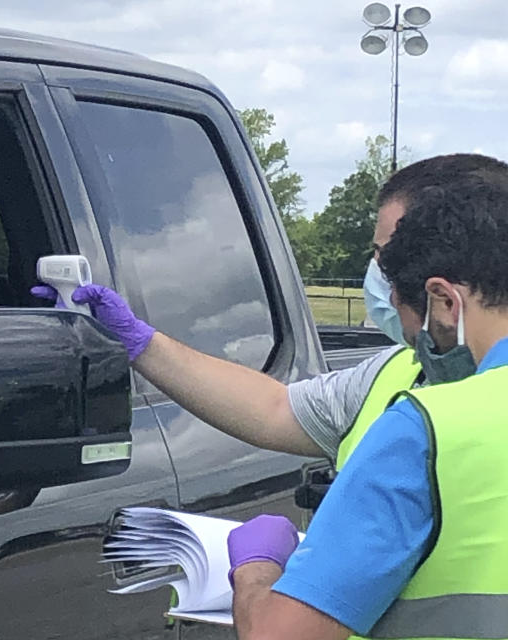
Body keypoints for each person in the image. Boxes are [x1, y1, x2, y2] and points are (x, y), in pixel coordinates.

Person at [34, 153, 508, 476]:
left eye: (387, 258)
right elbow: (274, 409)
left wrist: (259, 570)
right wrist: (139, 342)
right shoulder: (398, 375)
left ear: (444, 298)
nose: (381, 276)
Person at [224, 160, 508, 638]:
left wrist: (255, 569)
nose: (414, 345)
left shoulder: (428, 429)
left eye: (408, 320)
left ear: (443, 300)